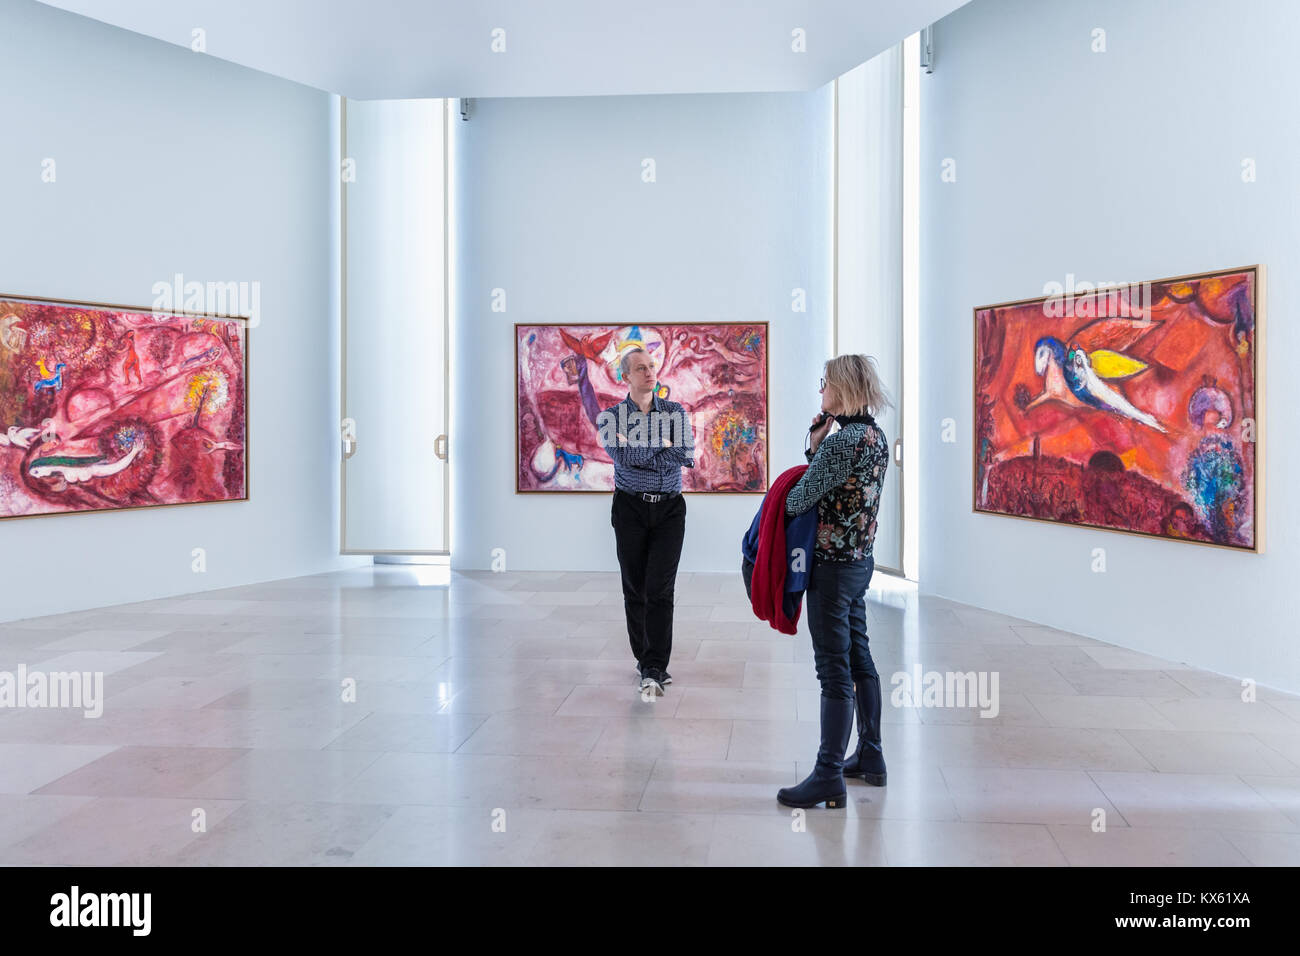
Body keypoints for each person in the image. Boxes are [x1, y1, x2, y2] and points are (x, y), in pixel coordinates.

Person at [777, 354, 891, 809]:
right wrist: (820, 446)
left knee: (833, 669)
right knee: (859, 657)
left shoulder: (844, 442)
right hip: (859, 563)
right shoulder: (875, 436)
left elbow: (799, 500)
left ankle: (827, 775)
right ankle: (871, 756)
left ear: (841, 389)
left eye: (824, 383)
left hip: (831, 567)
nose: (820, 390)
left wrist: (815, 446)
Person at [596, 347, 695, 697]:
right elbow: (621, 457)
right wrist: (661, 444)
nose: (649, 372)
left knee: (660, 589)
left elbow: (684, 455)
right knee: (634, 589)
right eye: (640, 368)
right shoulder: (610, 417)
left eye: (651, 366)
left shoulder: (675, 412)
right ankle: (644, 659)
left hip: (669, 510)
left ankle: (655, 666)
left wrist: (642, 449)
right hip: (630, 509)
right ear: (626, 376)